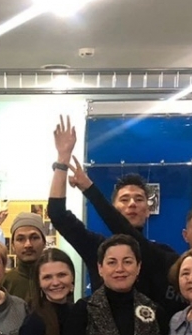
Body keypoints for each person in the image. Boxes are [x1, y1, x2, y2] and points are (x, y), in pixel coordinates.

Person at [47, 116, 177, 306]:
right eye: (124, 199)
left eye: (139, 199)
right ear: (113, 208)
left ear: (148, 210)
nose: (132, 204)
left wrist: (89, 188)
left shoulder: (161, 254)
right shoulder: (96, 247)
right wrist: (62, 161)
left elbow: (127, 233)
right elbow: (57, 214)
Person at [0, 209, 47, 301]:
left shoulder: (55, 280)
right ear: (12, 245)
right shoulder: (4, 282)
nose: (28, 244)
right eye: (20, 239)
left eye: (34, 238)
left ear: (44, 242)